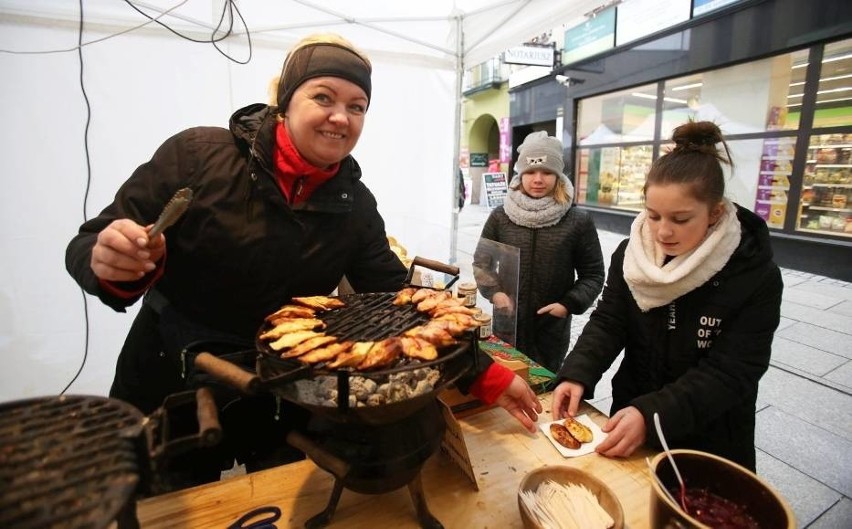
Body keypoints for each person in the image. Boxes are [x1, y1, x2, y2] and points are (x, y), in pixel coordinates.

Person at [66, 33, 541, 491]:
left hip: (282, 386)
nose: (340, 117)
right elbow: (89, 245)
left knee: (276, 499)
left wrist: (486, 373)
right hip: (169, 377)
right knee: (160, 506)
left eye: (357, 107)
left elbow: (407, 303)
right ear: (286, 101)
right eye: (323, 97)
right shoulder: (198, 157)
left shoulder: (353, 204)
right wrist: (113, 261)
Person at [550, 121, 783, 471]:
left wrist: (652, 415)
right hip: (632, 412)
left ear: (715, 212)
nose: (662, 231)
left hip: (709, 436)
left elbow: (733, 371)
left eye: (681, 218)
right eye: (653, 214)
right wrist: (577, 372)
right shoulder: (633, 254)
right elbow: (611, 320)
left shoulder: (753, 274)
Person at [472, 131, 605, 374]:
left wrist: (567, 305)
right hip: (507, 322)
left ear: (558, 175)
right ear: (520, 174)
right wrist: (495, 293)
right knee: (505, 384)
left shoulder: (578, 221)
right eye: (530, 172)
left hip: (551, 328)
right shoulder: (501, 217)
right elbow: (482, 262)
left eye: (547, 172)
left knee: (542, 387)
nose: (538, 179)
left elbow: (593, 275)